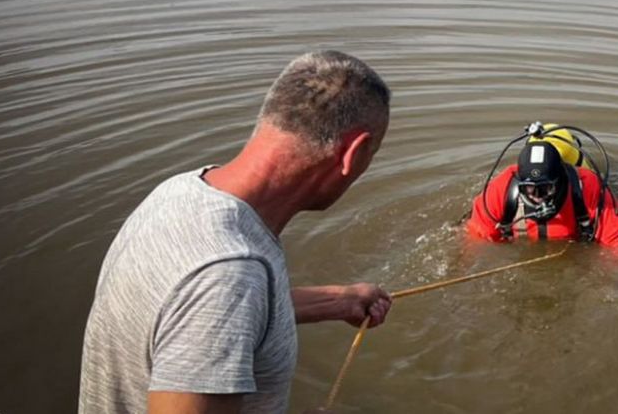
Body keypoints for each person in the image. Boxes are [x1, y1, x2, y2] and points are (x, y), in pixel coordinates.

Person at [79, 51, 393, 414]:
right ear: (352, 154)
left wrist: (340, 300)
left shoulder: (182, 192)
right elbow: (220, 299)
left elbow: (200, 315)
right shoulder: (229, 277)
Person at [465, 125, 618, 248]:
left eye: (545, 189)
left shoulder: (588, 187)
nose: (537, 195)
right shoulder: (500, 190)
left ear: (560, 180)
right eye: (529, 189)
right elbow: (476, 240)